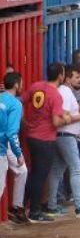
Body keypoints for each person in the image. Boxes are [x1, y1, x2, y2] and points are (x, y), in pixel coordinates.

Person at [46, 63, 80, 218]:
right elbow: (65, 115)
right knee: (76, 169)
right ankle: (79, 206)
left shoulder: (59, 91)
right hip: (66, 135)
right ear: (65, 78)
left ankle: (52, 205)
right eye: (76, 77)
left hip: (60, 135)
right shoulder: (65, 92)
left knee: (57, 171)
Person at [21, 64, 68, 222]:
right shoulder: (55, 95)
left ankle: (22, 206)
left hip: (31, 136)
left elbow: (21, 101)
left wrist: (23, 120)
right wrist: (66, 119)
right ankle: (34, 211)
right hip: (45, 139)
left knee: (34, 174)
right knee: (40, 176)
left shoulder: (36, 86)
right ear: (61, 76)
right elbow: (56, 122)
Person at [0, 71, 29, 224]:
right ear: (17, 85)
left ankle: (17, 207)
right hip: (3, 146)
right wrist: (18, 154)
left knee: (22, 171)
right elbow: (12, 133)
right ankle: (17, 207)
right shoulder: (15, 103)